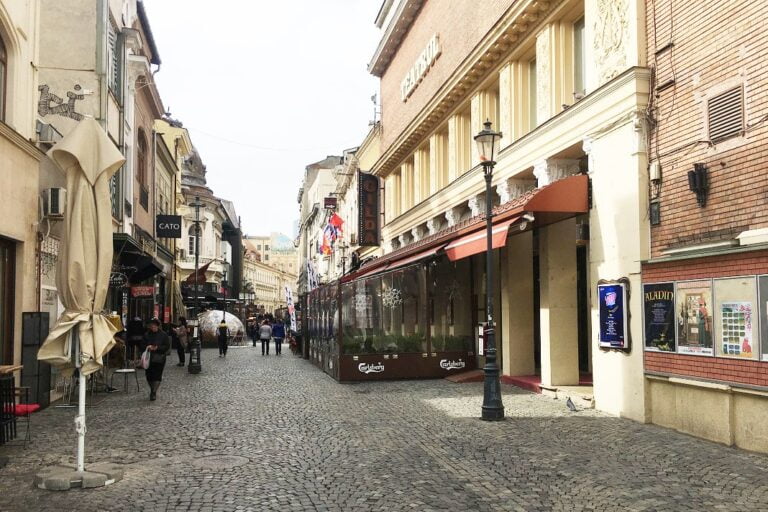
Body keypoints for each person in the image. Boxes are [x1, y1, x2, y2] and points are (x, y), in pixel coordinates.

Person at [142, 318, 171, 401]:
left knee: (157, 375)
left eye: (154, 325)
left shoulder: (163, 335)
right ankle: (152, 389)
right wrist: (148, 347)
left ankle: (153, 392)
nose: (153, 327)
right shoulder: (146, 335)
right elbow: (142, 345)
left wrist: (157, 348)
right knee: (149, 376)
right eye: (151, 325)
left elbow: (167, 346)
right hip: (148, 358)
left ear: (158, 326)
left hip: (159, 358)